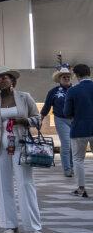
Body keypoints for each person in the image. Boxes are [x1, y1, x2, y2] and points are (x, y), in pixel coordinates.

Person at [0, 67, 43, 233]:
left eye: (3, 78)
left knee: (25, 184)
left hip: (21, 145)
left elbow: (37, 118)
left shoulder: (25, 97)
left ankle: (34, 228)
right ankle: (9, 225)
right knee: (3, 185)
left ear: (12, 80)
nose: (0, 81)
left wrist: (25, 121)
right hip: (0, 147)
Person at [63, 63, 93, 199]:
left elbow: (67, 112)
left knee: (78, 159)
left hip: (79, 129)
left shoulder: (72, 91)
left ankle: (81, 188)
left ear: (76, 75)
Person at [41, 66, 74, 180]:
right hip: (61, 119)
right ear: (59, 79)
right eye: (64, 76)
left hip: (75, 120)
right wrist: (41, 118)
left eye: (68, 76)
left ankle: (73, 166)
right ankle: (67, 169)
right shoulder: (53, 92)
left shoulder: (75, 90)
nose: (66, 78)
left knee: (74, 145)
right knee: (66, 143)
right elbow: (46, 106)